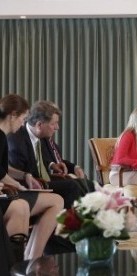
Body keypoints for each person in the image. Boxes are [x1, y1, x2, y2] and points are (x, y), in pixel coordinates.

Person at [0, 94, 64, 261]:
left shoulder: (3, 137)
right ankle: (28, 260)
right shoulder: (3, 136)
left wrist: (26, 176)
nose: (23, 122)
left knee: (56, 200)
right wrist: (19, 186)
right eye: (23, 118)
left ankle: (29, 259)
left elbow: (4, 169)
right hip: (7, 194)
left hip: (8, 191)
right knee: (53, 201)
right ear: (13, 115)